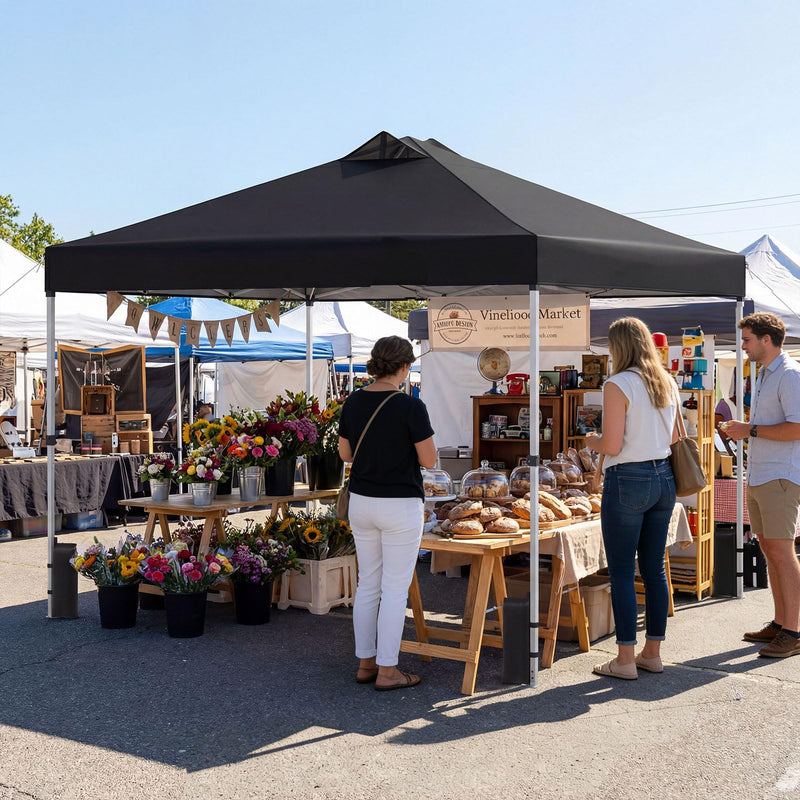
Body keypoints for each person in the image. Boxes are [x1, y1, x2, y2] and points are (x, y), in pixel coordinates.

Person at [338, 336, 437, 691]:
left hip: (362, 501)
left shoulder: (353, 401)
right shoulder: (411, 406)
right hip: (400, 504)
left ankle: (366, 662)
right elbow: (429, 460)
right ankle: (388, 670)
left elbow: (346, 455)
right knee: (395, 590)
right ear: (404, 366)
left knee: (368, 584)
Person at [584, 317, 679, 679]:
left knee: (622, 571)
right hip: (663, 477)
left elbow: (610, 445)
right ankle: (651, 653)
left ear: (618, 347)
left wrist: (591, 441)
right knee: (654, 568)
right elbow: (672, 438)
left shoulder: (617, 383)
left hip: (629, 478)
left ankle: (624, 659)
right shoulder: (666, 381)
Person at [723, 312, 800, 658]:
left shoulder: (790, 374)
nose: (743, 345)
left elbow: (798, 428)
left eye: (748, 339)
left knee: (783, 553)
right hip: (761, 474)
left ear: (766, 340)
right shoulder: (767, 374)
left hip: (780, 476)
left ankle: (794, 631)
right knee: (771, 551)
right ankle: (782, 623)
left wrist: (748, 430)